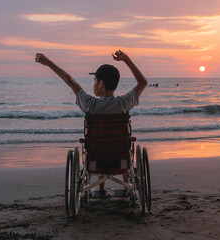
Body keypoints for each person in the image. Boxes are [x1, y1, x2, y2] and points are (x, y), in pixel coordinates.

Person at [35, 50, 148, 196]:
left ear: (101, 83)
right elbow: (143, 82)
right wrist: (127, 60)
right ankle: (123, 186)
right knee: (112, 142)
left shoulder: (90, 104)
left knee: (100, 143)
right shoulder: (123, 104)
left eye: (95, 80)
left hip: (96, 159)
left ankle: (101, 191)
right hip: (120, 159)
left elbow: (69, 80)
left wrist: (48, 63)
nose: (93, 84)